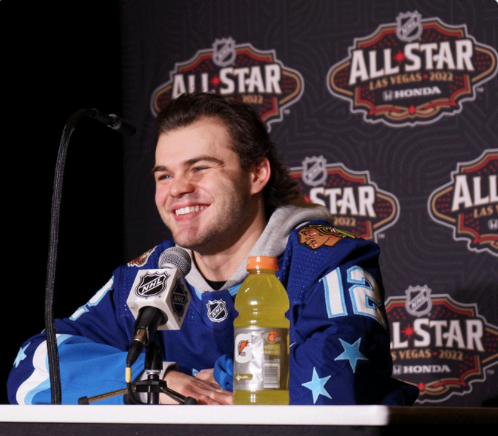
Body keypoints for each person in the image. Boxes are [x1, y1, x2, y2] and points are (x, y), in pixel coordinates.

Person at [8, 93, 418, 406]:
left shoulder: (325, 260)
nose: (178, 189)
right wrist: (158, 381)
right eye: (164, 175)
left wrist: (206, 385)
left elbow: (337, 376)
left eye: (200, 167)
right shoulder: (144, 278)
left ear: (256, 173)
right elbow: (32, 368)